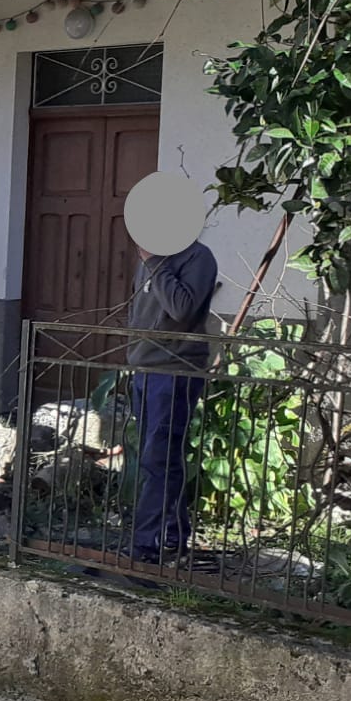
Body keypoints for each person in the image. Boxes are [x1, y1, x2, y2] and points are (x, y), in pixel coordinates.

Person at [127, 237, 218, 564]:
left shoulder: (197, 257)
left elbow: (181, 308)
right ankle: (173, 536)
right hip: (144, 368)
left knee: (159, 458)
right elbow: (141, 311)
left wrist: (154, 264)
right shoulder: (150, 257)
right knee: (160, 458)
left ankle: (145, 548)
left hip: (175, 370)